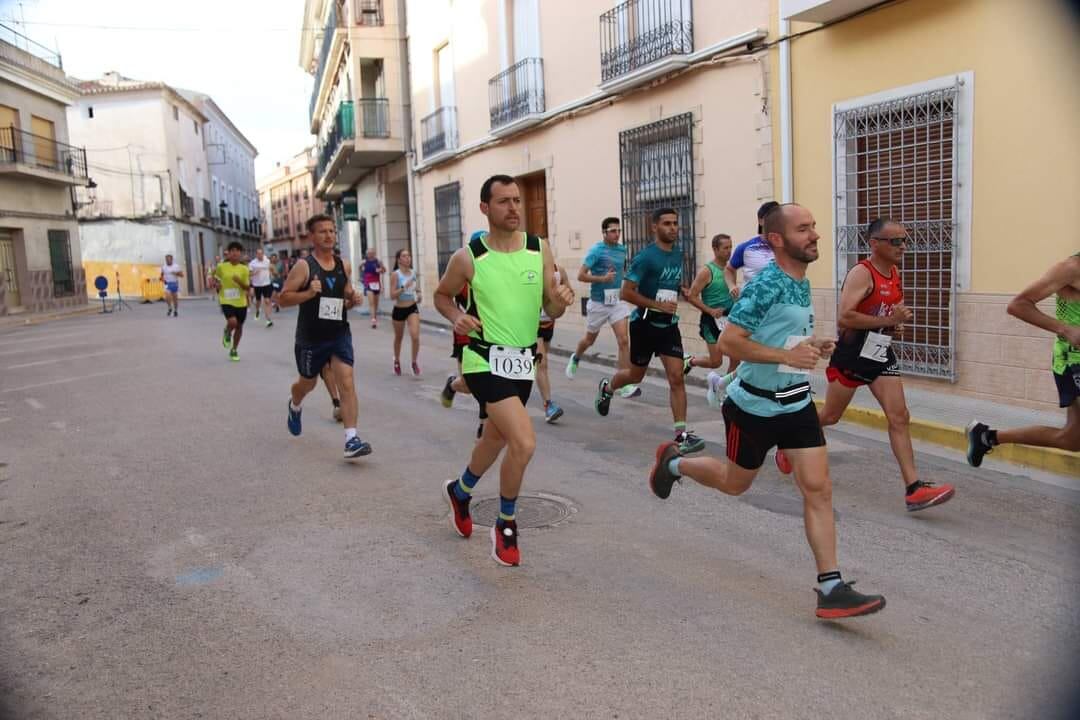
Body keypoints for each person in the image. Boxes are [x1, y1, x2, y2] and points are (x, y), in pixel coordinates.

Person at [648, 203, 886, 619]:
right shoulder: (766, 284)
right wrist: (784, 355)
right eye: (803, 229)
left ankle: (831, 587)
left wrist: (811, 344)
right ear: (777, 240)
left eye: (814, 227)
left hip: (795, 402)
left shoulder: (801, 281)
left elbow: (783, 335)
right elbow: (730, 344)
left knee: (819, 488)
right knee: (734, 483)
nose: (814, 235)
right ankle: (674, 465)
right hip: (752, 405)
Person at [436, 174, 574, 566]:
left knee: (495, 441)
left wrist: (563, 300)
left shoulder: (538, 248)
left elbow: (551, 307)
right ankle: (505, 524)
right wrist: (456, 318)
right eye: (504, 201)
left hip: (522, 362)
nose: (514, 208)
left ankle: (460, 493)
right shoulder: (469, 257)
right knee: (524, 442)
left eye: (517, 200)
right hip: (483, 359)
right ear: (485, 208)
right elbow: (442, 296)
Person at [776, 218, 955, 511]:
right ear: (875, 244)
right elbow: (845, 317)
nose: (903, 247)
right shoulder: (862, 273)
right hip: (853, 354)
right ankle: (789, 439)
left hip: (880, 353)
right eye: (895, 241)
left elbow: (884, 312)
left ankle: (914, 488)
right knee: (831, 416)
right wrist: (889, 321)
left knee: (899, 416)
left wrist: (894, 327)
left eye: (905, 240)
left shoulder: (894, 273)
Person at [594, 208, 705, 455]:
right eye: (667, 223)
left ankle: (682, 434)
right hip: (643, 324)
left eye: (676, 223)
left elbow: (668, 282)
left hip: (668, 325)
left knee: (676, 377)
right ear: (654, 227)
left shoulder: (678, 253)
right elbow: (627, 292)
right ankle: (607, 388)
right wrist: (657, 304)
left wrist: (683, 291)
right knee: (634, 376)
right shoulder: (645, 257)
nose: (673, 228)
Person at [967, 253, 1080, 465]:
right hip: (1072, 361)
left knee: (1072, 439)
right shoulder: (1071, 268)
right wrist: (1064, 328)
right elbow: (1018, 305)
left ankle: (986, 437)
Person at [279, 214, 371, 459]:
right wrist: (309, 293)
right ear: (312, 236)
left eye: (332, 231)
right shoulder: (304, 267)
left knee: (347, 381)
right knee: (306, 384)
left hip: (339, 333)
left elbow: (344, 295)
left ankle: (351, 440)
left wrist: (353, 298)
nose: (329, 235)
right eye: (323, 232)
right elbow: (283, 298)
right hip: (311, 338)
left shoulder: (343, 265)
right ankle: (294, 405)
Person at [709, 202, 783, 400]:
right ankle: (734, 392)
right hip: (754, 311)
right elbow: (729, 270)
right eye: (772, 216)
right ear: (761, 221)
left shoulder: (785, 246)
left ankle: (723, 383)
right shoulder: (747, 247)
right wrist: (732, 285)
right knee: (754, 357)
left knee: (772, 358)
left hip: (780, 311)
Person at [565, 217, 640, 399]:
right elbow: (581, 275)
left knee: (623, 340)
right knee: (589, 340)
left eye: (618, 231)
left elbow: (623, 272)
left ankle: (623, 383)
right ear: (604, 233)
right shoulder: (596, 251)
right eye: (613, 231)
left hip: (617, 302)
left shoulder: (622, 250)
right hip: (598, 303)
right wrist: (602, 279)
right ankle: (576, 356)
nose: (617, 234)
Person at [685, 234, 737, 408]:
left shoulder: (731, 269)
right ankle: (690, 361)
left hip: (729, 319)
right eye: (725, 248)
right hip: (711, 320)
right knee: (716, 361)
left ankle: (727, 392)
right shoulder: (707, 271)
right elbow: (691, 296)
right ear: (715, 249)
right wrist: (710, 310)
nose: (729, 251)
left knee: (736, 358)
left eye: (731, 247)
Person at [536, 251, 571, 423]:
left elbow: (569, 291)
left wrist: (564, 295)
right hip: (532, 324)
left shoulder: (560, 271)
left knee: (541, 364)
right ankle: (548, 405)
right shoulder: (531, 271)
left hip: (549, 322)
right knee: (542, 364)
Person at [211, 242, 250, 362]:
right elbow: (215, 278)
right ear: (228, 253)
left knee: (239, 326)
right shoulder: (222, 267)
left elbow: (247, 287)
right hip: (226, 299)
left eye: (238, 250)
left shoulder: (244, 269)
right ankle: (227, 332)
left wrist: (239, 282)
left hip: (241, 302)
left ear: (240, 253)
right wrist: (216, 284)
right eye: (232, 250)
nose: (235, 253)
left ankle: (234, 349)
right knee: (232, 322)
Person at [390, 248, 421, 376]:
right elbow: (392, 295)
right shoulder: (395, 275)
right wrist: (403, 287)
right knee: (399, 337)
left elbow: (417, 289)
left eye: (409, 256)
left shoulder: (414, 273)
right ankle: (396, 360)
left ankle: (414, 362)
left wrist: (419, 295)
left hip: (412, 308)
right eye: (404, 256)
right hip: (399, 309)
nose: (408, 258)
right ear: (399, 260)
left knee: (415, 336)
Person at [248, 247, 274, 327]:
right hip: (257, 285)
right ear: (256, 255)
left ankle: (268, 319)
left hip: (266, 284)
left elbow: (271, 269)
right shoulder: (252, 263)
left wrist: (272, 273)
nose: (260, 255)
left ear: (263, 254)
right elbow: (249, 274)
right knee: (258, 301)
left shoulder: (267, 261)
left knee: (267, 301)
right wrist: (255, 272)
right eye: (258, 253)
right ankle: (257, 311)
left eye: (261, 253)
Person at [361, 248, 386, 329]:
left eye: (372, 253)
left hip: (376, 284)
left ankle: (374, 317)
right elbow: (361, 270)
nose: (370, 254)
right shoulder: (364, 262)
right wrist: (361, 267)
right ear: (367, 254)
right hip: (368, 284)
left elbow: (384, 271)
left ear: (374, 253)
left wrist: (381, 268)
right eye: (368, 253)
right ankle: (373, 320)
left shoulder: (378, 262)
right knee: (371, 303)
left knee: (376, 304)